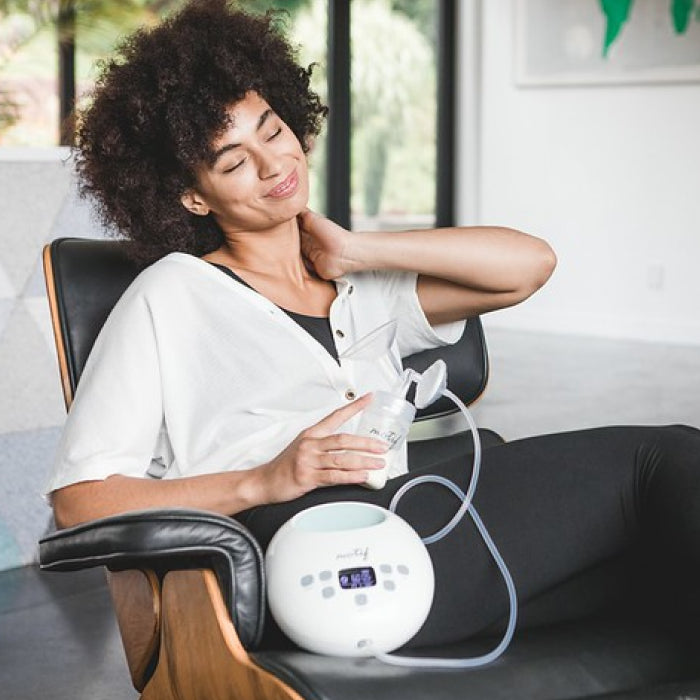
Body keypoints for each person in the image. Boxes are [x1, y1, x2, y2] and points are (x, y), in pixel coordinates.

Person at [46, 0, 700, 650]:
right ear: (193, 196)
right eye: (233, 160)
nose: (274, 165)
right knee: (658, 460)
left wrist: (361, 251)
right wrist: (264, 480)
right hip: (310, 554)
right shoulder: (171, 294)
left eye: (271, 131)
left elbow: (529, 266)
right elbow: (78, 502)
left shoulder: (358, 286)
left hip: (411, 525)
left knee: (654, 574)